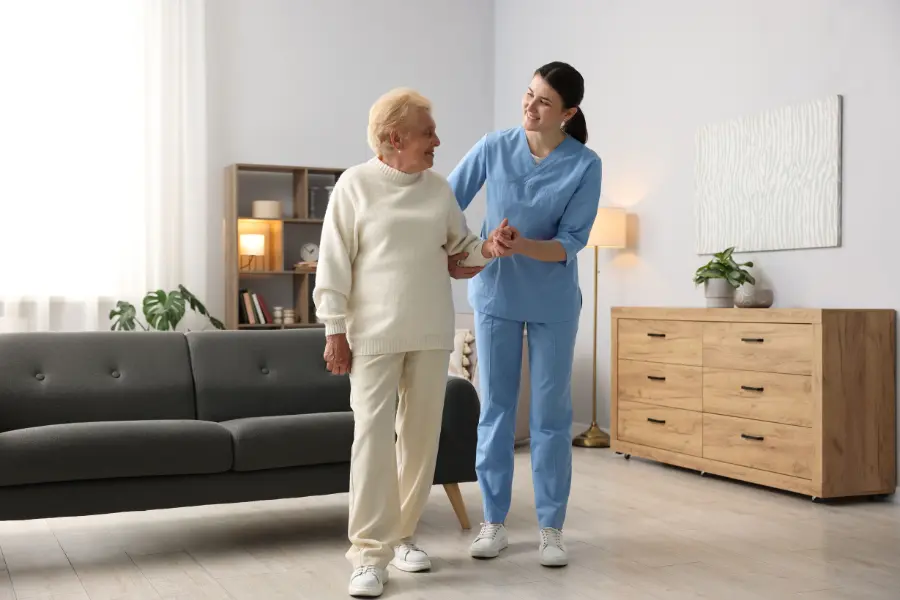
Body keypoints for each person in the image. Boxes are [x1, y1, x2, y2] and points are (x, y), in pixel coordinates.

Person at [313, 87, 515, 598]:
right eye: (428, 133)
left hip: (429, 334)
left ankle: (402, 537)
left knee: (420, 441)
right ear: (393, 138)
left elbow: (460, 249)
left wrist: (490, 247)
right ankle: (367, 554)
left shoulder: (438, 189)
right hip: (373, 336)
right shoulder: (354, 186)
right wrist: (334, 330)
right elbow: (333, 265)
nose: (437, 141)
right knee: (372, 443)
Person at [446, 61, 602, 567]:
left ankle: (551, 528)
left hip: (553, 301)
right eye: (529, 95)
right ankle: (494, 522)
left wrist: (522, 245)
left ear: (568, 113)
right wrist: (480, 244)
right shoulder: (494, 146)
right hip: (495, 297)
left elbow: (571, 243)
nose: (530, 108)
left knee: (552, 416)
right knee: (495, 409)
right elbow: (446, 202)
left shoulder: (585, 164)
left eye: (543, 103)